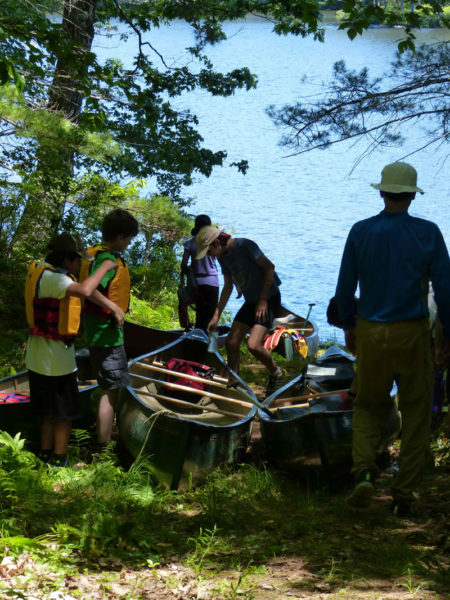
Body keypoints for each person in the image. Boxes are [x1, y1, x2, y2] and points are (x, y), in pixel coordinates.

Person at [334, 162, 450, 517]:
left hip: (371, 329)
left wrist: (350, 325)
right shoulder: (428, 233)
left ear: (382, 192)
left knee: (368, 404)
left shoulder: (360, 231)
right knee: (415, 412)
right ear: (412, 196)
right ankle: (404, 495)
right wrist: (447, 338)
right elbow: (445, 290)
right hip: (412, 333)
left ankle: (365, 472)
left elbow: (343, 290)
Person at [25, 233, 124, 467]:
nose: (80, 264)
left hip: (38, 358)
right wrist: (105, 267)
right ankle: (59, 460)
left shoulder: (41, 270)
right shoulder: (54, 280)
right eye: (77, 260)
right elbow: (86, 290)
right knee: (63, 415)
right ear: (67, 259)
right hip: (56, 362)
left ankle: (46, 454)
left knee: (49, 411)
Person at [195, 226, 285, 393]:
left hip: (269, 299)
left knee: (253, 345)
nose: (208, 255)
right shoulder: (222, 256)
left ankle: (277, 373)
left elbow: (269, 268)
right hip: (251, 301)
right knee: (231, 342)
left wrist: (263, 300)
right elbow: (227, 286)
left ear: (216, 243)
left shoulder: (245, 246)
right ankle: (233, 382)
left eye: (208, 251)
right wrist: (216, 315)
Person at [81, 208, 139, 448]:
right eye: (129, 240)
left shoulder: (97, 252)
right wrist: (114, 309)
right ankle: (103, 447)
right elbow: (90, 289)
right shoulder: (107, 259)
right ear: (120, 237)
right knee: (110, 390)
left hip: (98, 331)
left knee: (108, 386)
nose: (129, 244)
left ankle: (103, 438)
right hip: (106, 333)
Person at [180, 214, 219, 332]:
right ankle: (209, 343)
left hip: (198, 283)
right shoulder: (213, 242)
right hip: (213, 282)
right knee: (211, 315)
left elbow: (183, 264)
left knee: (200, 315)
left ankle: (197, 340)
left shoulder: (190, 243)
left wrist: (191, 269)